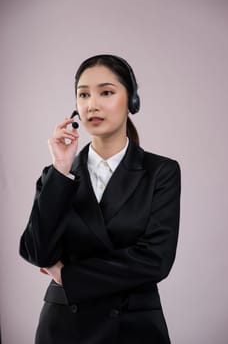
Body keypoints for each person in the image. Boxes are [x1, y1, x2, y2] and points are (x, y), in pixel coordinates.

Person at [19, 54, 181, 344]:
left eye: (106, 92)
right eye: (83, 94)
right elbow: (37, 252)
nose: (92, 104)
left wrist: (68, 275)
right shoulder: (58, 174)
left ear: (131, 101)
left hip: (134, 326)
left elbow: (155, 260)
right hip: (64, 326)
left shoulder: (160, 172)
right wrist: (60, 169)